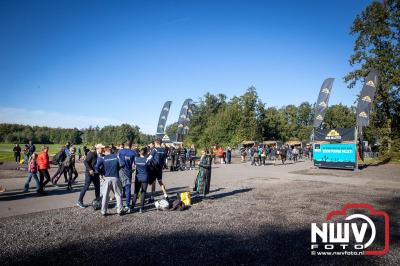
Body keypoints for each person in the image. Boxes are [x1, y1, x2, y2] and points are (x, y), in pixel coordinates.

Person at [95, 146, 124, 216]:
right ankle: (119, 210)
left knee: (105, 195)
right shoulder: (117, 156)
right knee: (118, 195)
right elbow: (122, 164)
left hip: (106, 178)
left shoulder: (102, 158)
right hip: (115, 177)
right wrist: (117, 169)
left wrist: (102, 174)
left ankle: (103, 212)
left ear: (105, 151)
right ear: (111, 151)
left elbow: (96, 167)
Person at [76, 144, 103, 208]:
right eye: (102, 148)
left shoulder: (101, 155)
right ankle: (79, 201)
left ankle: (97, 200)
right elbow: (85, 162)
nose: (103, 149)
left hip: (96, 174)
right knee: (86, 187)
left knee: (97, 187)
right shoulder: (91, 154)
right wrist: (90, 170)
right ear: (98, 148)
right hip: (89, 174)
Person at [118, 141, 136, 212]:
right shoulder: (133, 153)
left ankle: (119, 204)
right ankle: (127, 205)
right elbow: (135, 164)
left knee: (119, 189)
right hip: (128, 172)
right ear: (131, 145)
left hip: (120, 171)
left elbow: (117, 161)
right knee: (128, 189)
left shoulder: (120, 152)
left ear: (125, 145)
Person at [131, 147, 149, 213]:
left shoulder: (136, 159)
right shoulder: (147, 160)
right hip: (145, 177)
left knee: (136, 192)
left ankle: (132, 206)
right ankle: (141, 208)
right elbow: (149, 168)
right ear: (146, 153)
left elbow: (134, 167)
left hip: (138, 177)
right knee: (143, 192)